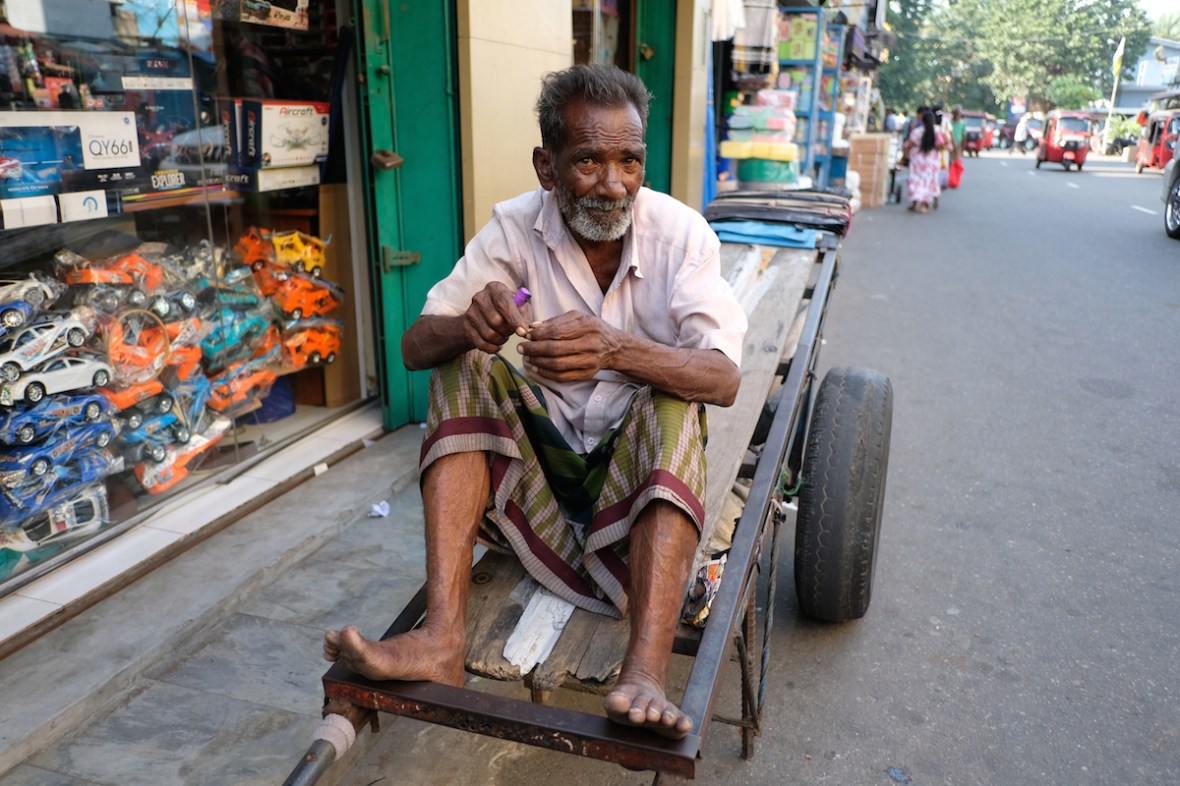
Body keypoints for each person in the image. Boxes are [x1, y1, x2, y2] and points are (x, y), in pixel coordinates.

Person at [323, 64, 747, 740]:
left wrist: (615, 350)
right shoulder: (516, 230)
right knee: (458, 365)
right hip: (538, 487)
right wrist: (469, 326)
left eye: (629, 161)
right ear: (546, 166)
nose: (614, 185)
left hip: (636, 490)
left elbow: (724, 379)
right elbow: (411, 347)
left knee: (677, 399)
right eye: (588, 162)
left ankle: (643, 671)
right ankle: (442, 639)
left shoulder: (682, 234)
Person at [903, 108, 947, 214]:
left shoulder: (916, 132)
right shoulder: (937, 131)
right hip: (932, 161)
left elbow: (908, 145)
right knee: (928, 181)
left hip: (917, 161)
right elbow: (943, 145)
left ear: (922, 120)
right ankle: (925, 204)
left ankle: (914, 203)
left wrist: (905, 157)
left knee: (916, 181)